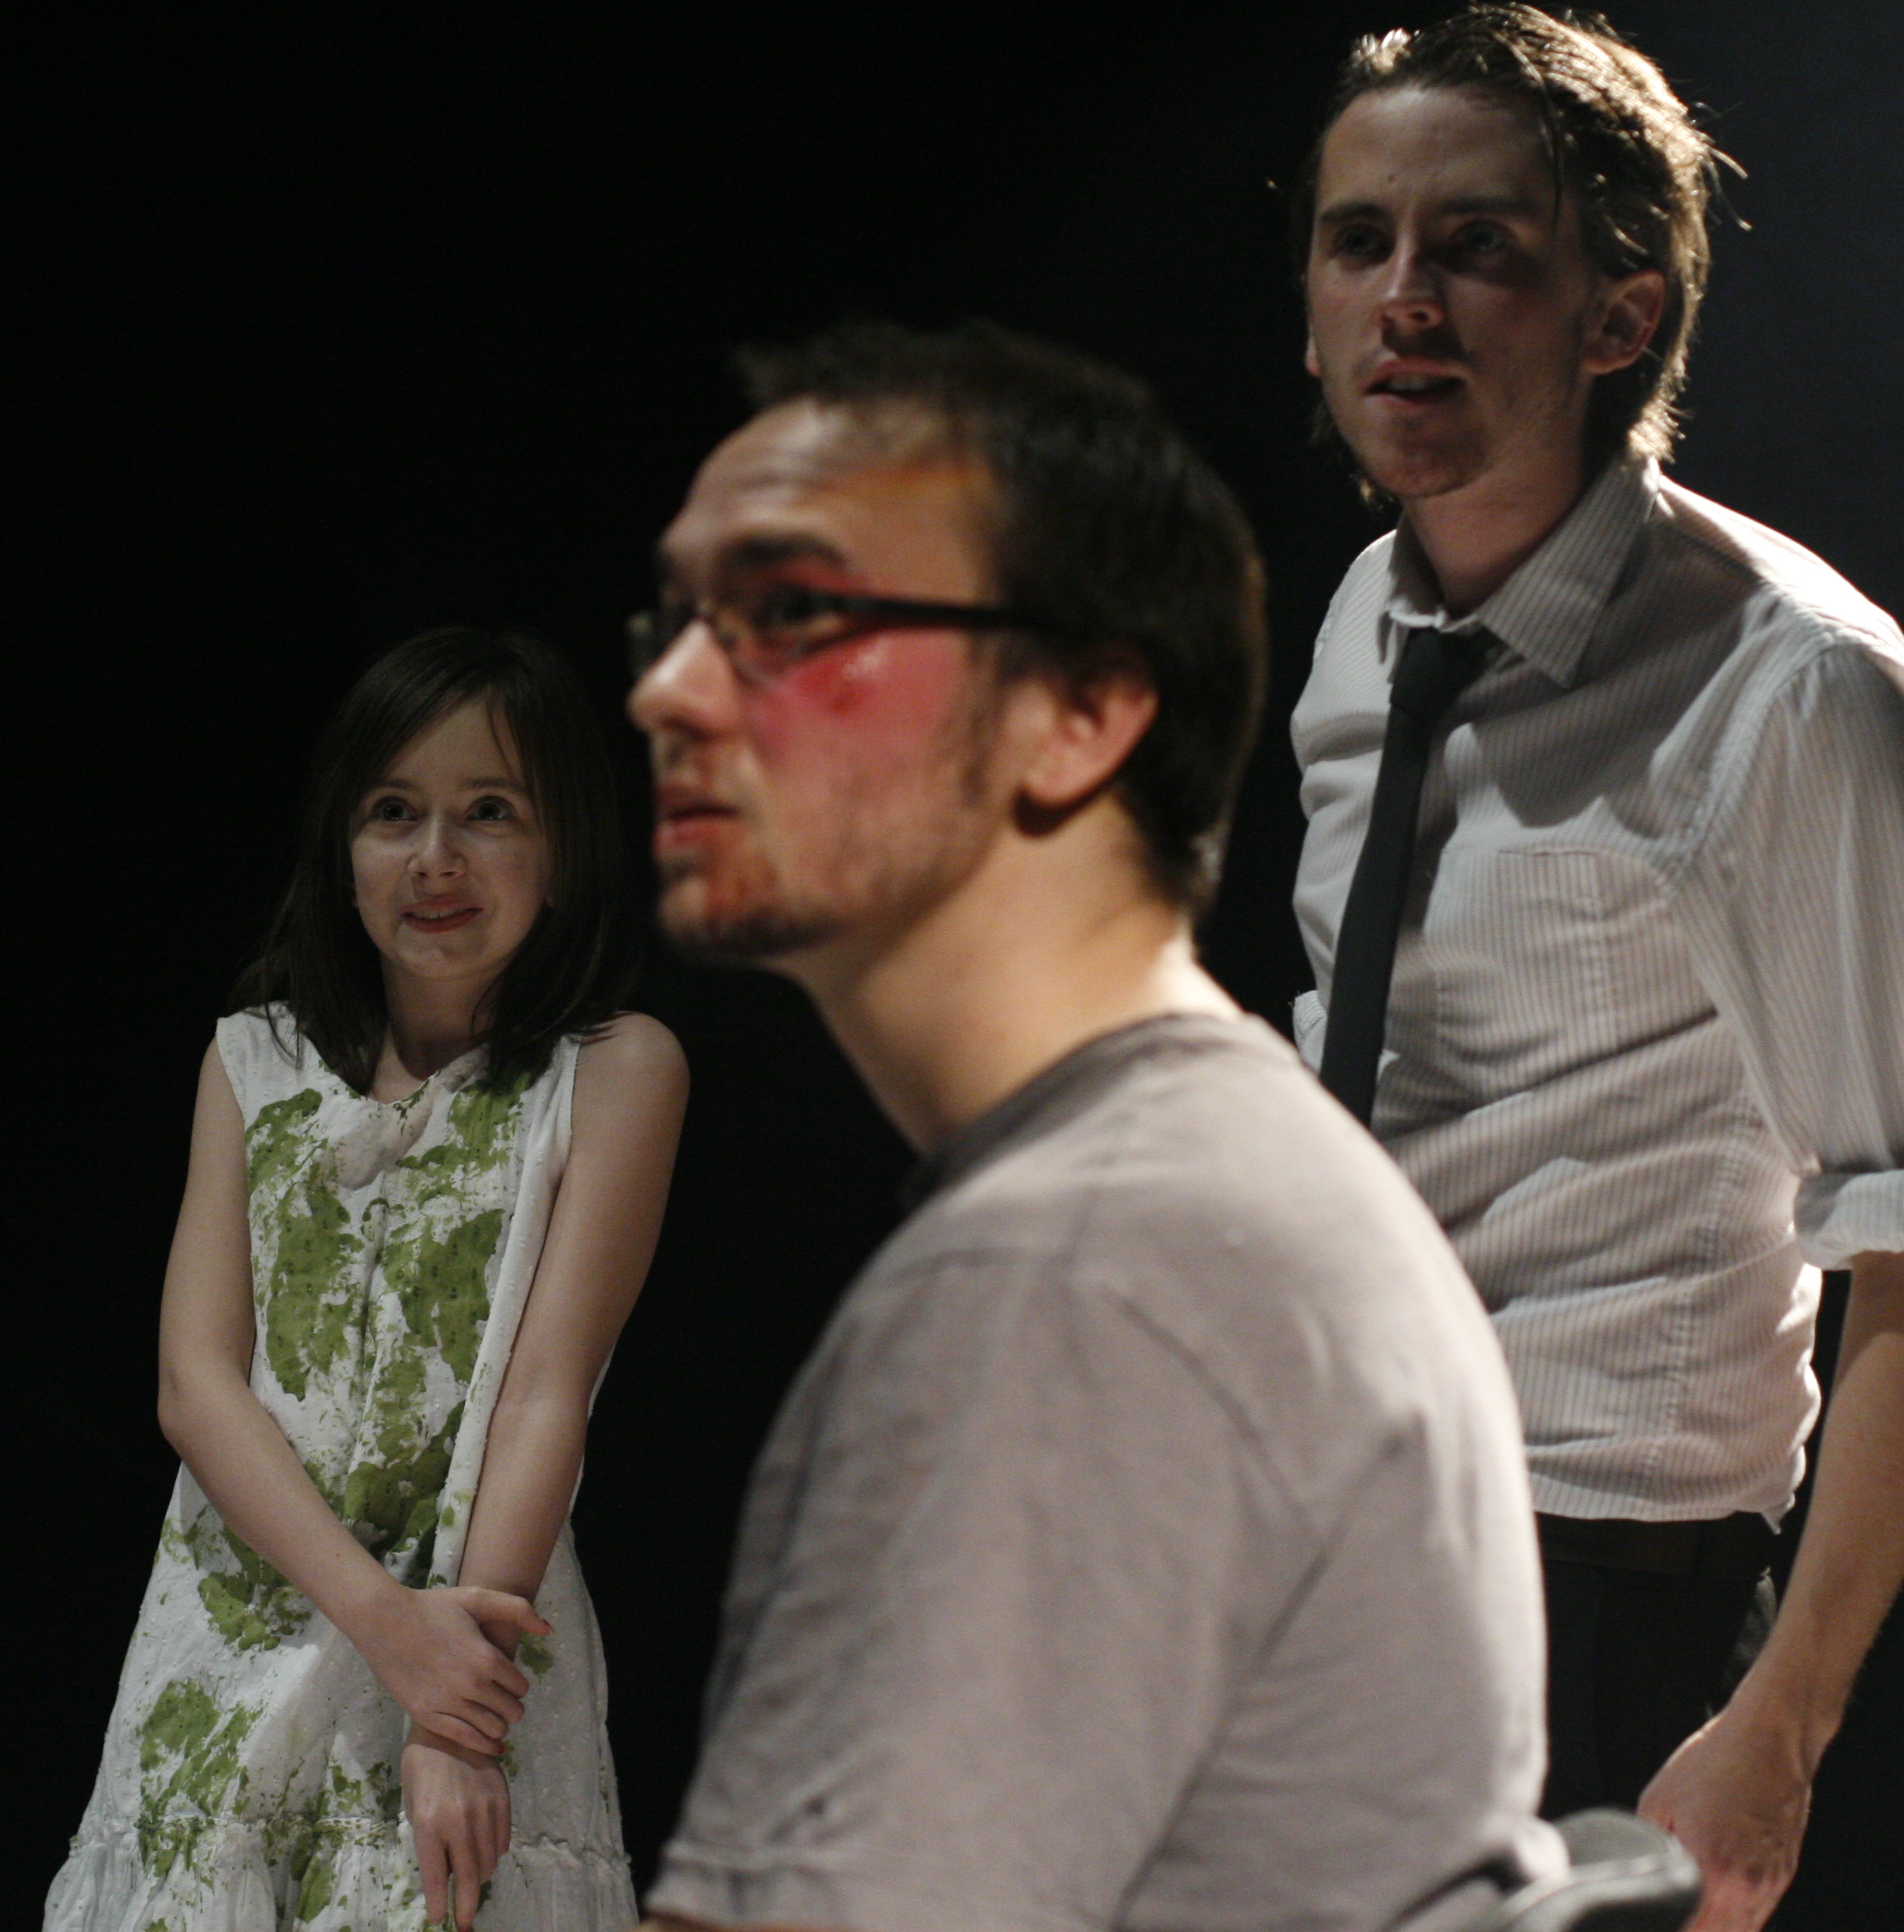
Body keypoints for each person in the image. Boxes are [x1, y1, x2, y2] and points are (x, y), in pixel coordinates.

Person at [624, 320, 1557, 1932]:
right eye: (676, 618)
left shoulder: (1073, 1274)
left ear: (1080, 711)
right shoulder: (1220, 1178)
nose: (666, 690)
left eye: (788, 613)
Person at [1286, 10, 1904, 1927]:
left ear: (1624, 314)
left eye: (1477, 246)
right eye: (1359, 241)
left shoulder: (1795, 690)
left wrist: (1781, 1721)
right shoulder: (1365, 627)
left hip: (1592, 1597)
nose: (1403, 298)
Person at [45, 628, 687, 1932]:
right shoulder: (254, 1061)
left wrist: (451, 1713)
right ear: (343, 851)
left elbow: (544, 1394)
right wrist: (382, 1623)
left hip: (474, 1625)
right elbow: (196, 1383)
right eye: (395, 813)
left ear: (564, 847)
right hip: (239, 1634)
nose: (436, 857)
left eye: (490, 811)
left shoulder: (614, 1069)